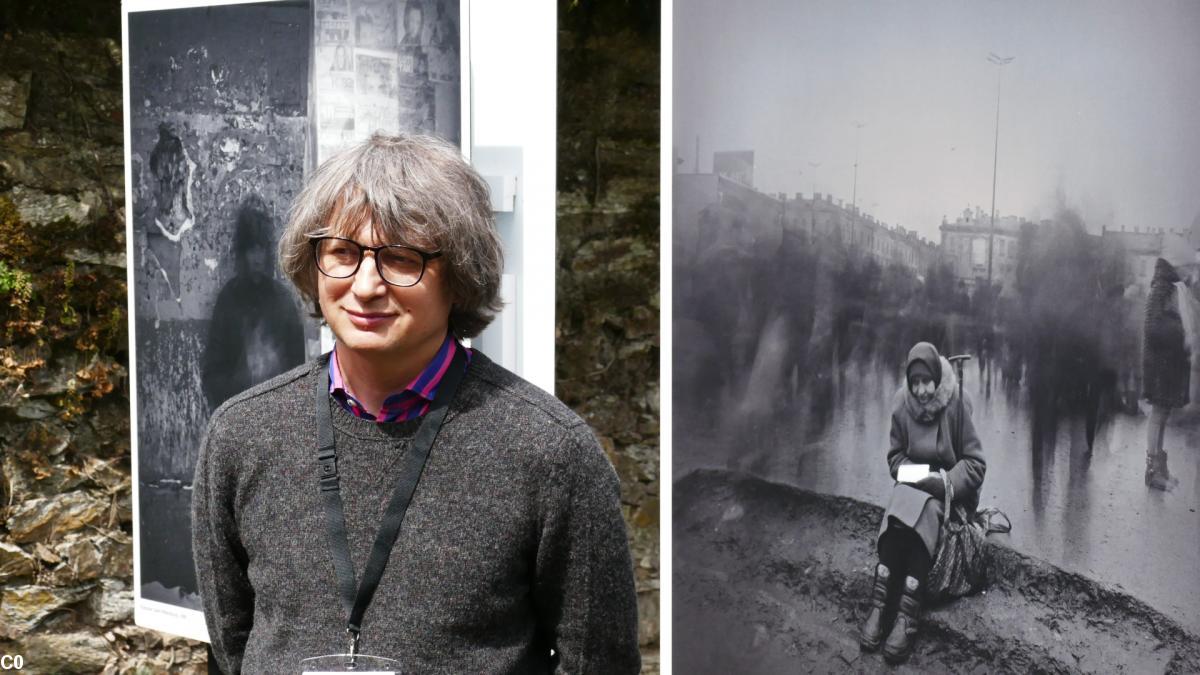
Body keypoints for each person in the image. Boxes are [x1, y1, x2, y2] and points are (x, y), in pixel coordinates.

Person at [192, 133, 640, 673]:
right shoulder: (241, 435)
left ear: (460, 275)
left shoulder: (551, 455)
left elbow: (599, 663)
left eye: (400, 259)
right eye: (343, 253)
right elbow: (232, 649)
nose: (365, 285)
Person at [858, 342, 986, 664]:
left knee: (926, 511)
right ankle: (880, 603)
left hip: (951, 495)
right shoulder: (903, 405)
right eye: (914, 382)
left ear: (937, 377)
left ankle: (907, 615)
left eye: (927, 381)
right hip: (915, 484)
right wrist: (918, 475)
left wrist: (942, 482)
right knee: (900, 504)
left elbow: (975, 464)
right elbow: (895, 459)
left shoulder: (956, 403)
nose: (921, 390)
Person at [1143, 257, 1187, 490]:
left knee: (1164, 412)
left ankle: (1160, 467)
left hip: (1167, 363)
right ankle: (1152, 470)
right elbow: (1152, 328)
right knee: (1158, 413)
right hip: (1159, 364)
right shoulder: (1160, 290)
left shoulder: (1170, 288)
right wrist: (1178, 330)